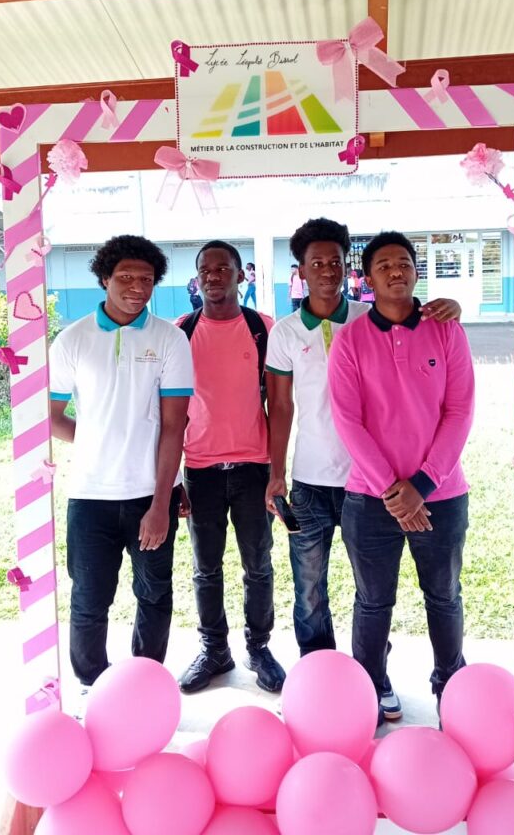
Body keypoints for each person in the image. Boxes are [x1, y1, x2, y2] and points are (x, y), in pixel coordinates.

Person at [265, 217, 462, 724]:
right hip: (322, 480)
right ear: (301, 271)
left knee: (407, 595)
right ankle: (326, 686)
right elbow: (284, 407)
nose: (327, 270)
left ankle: (411, 682)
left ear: (351, 271)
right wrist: (275, 472)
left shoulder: (369, 318)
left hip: (381, 486)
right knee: (315, 589)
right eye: (316, 263)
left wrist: (414, 487)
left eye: (335, 261)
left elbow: (453, 401)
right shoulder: (293, 333)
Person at [328, 231, 474, 724]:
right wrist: (395, 492)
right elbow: (348, 420)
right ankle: (369, 690)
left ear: (415, 270)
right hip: (372, 500)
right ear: (367, 279)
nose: (396, 271)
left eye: (405, 262)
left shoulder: (446, 330)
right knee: (372, 602)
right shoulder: (350, 340)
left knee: (445, 596)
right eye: (384, 264)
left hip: (442, 495)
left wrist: (423, 487)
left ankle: (450, 688)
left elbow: (459, 411)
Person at [49, 235, 194, 700]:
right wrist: (96, 440)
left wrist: (160, 504)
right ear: (104, 279)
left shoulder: (169, 339)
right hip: (89, 496)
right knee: (89, 598)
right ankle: (93, 686)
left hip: (149, 495)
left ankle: (145, 684)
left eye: (146, 279)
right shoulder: (72, 340)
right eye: (126, 277)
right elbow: (52, 417)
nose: (137, 287)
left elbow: (174, 426)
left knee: (154, 593)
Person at [177, 240, 285, 695]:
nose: (214, 275)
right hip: (199, 469)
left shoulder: (263, 329)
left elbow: (280, 404)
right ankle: (214, 650)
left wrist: (277, 472)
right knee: (206, 568)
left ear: (242, 276)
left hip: (253, 468)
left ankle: (258, 648)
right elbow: (166, 414)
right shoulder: (181, 332)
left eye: (224, 268)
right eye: (206, 269)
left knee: (258, 565)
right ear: (197, 277)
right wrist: (174, 479)